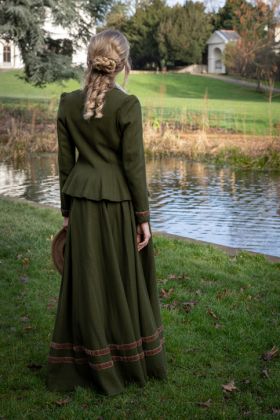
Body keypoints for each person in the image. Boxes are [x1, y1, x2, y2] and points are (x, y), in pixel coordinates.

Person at [46, 28, 168, 396]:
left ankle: (85, 361)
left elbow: (65, 164)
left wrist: (66, 212)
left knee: (88, 281)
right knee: (119, 280)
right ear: (123, 64)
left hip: (82, 204)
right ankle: (127, 360)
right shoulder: (127, 105)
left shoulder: (68, 102)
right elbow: (134, 167)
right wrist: (143, 218)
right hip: (117, 207)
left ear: (90, 60)